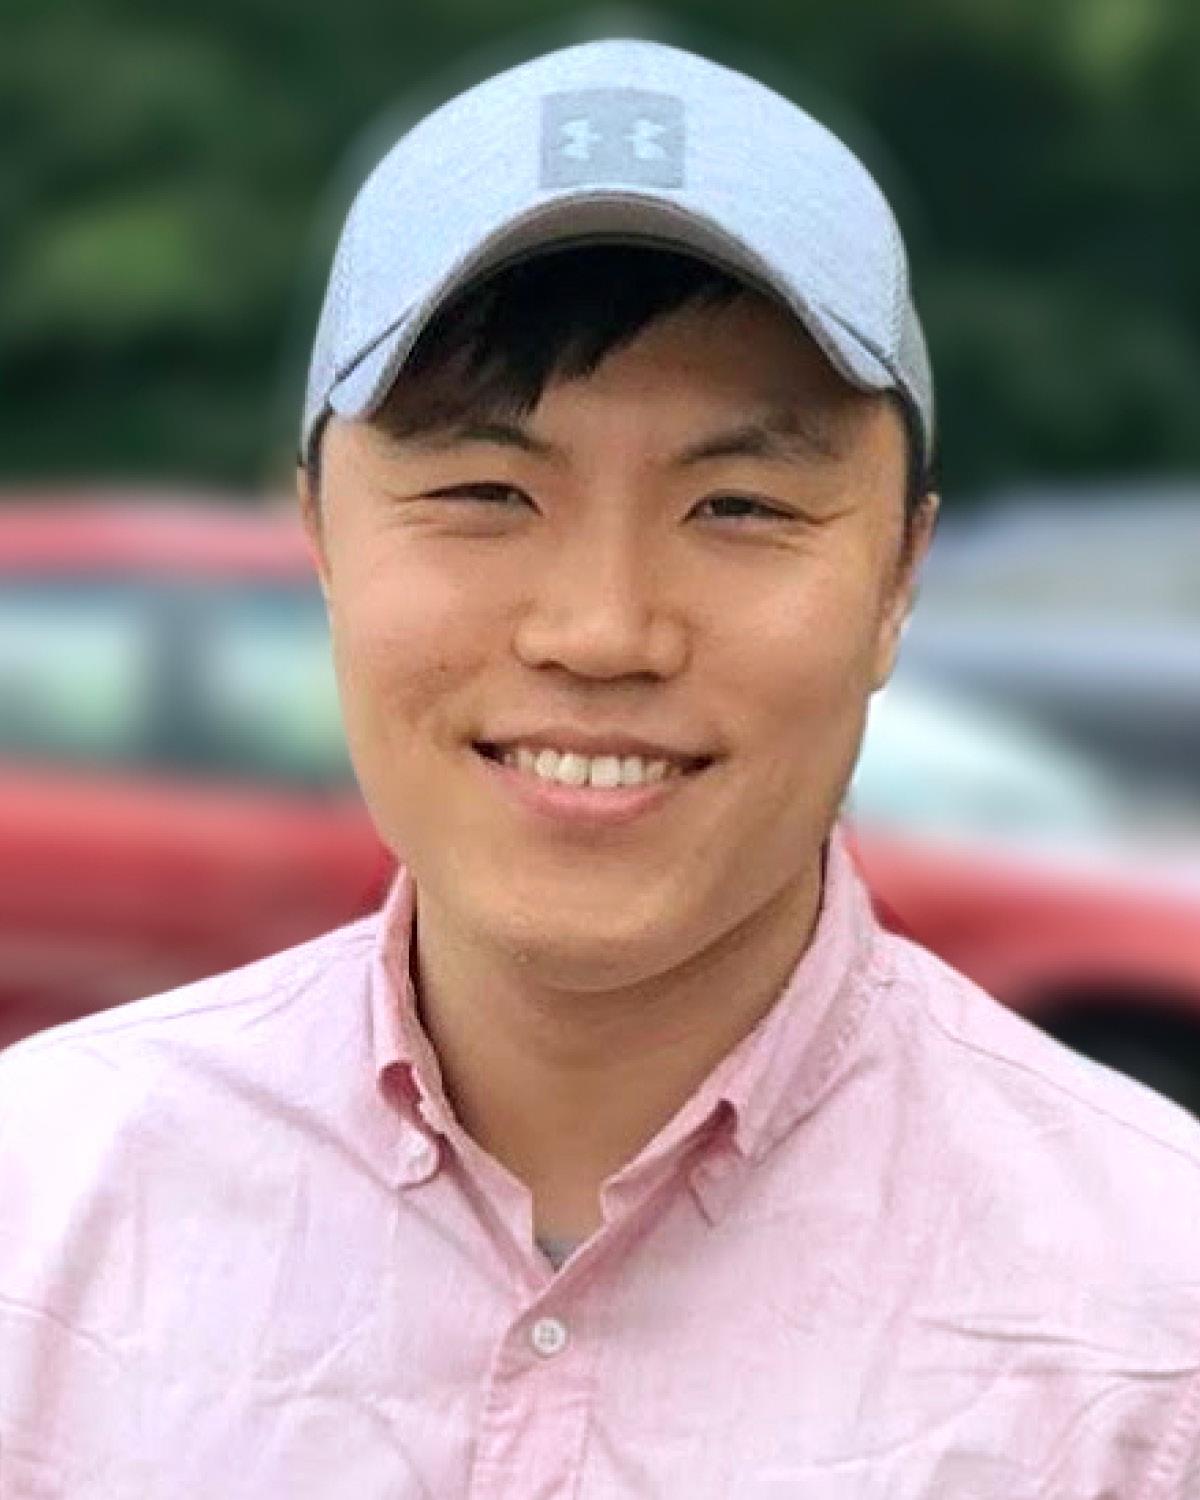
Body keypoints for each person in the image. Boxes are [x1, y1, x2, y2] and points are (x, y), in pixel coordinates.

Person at [2, 37, 1199, 1500]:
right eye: (484, 491)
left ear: (899, 577)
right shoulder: (39, 1218)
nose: (602, 630)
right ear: (316, 539)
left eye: (739, 505)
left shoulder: (1156, 1330)